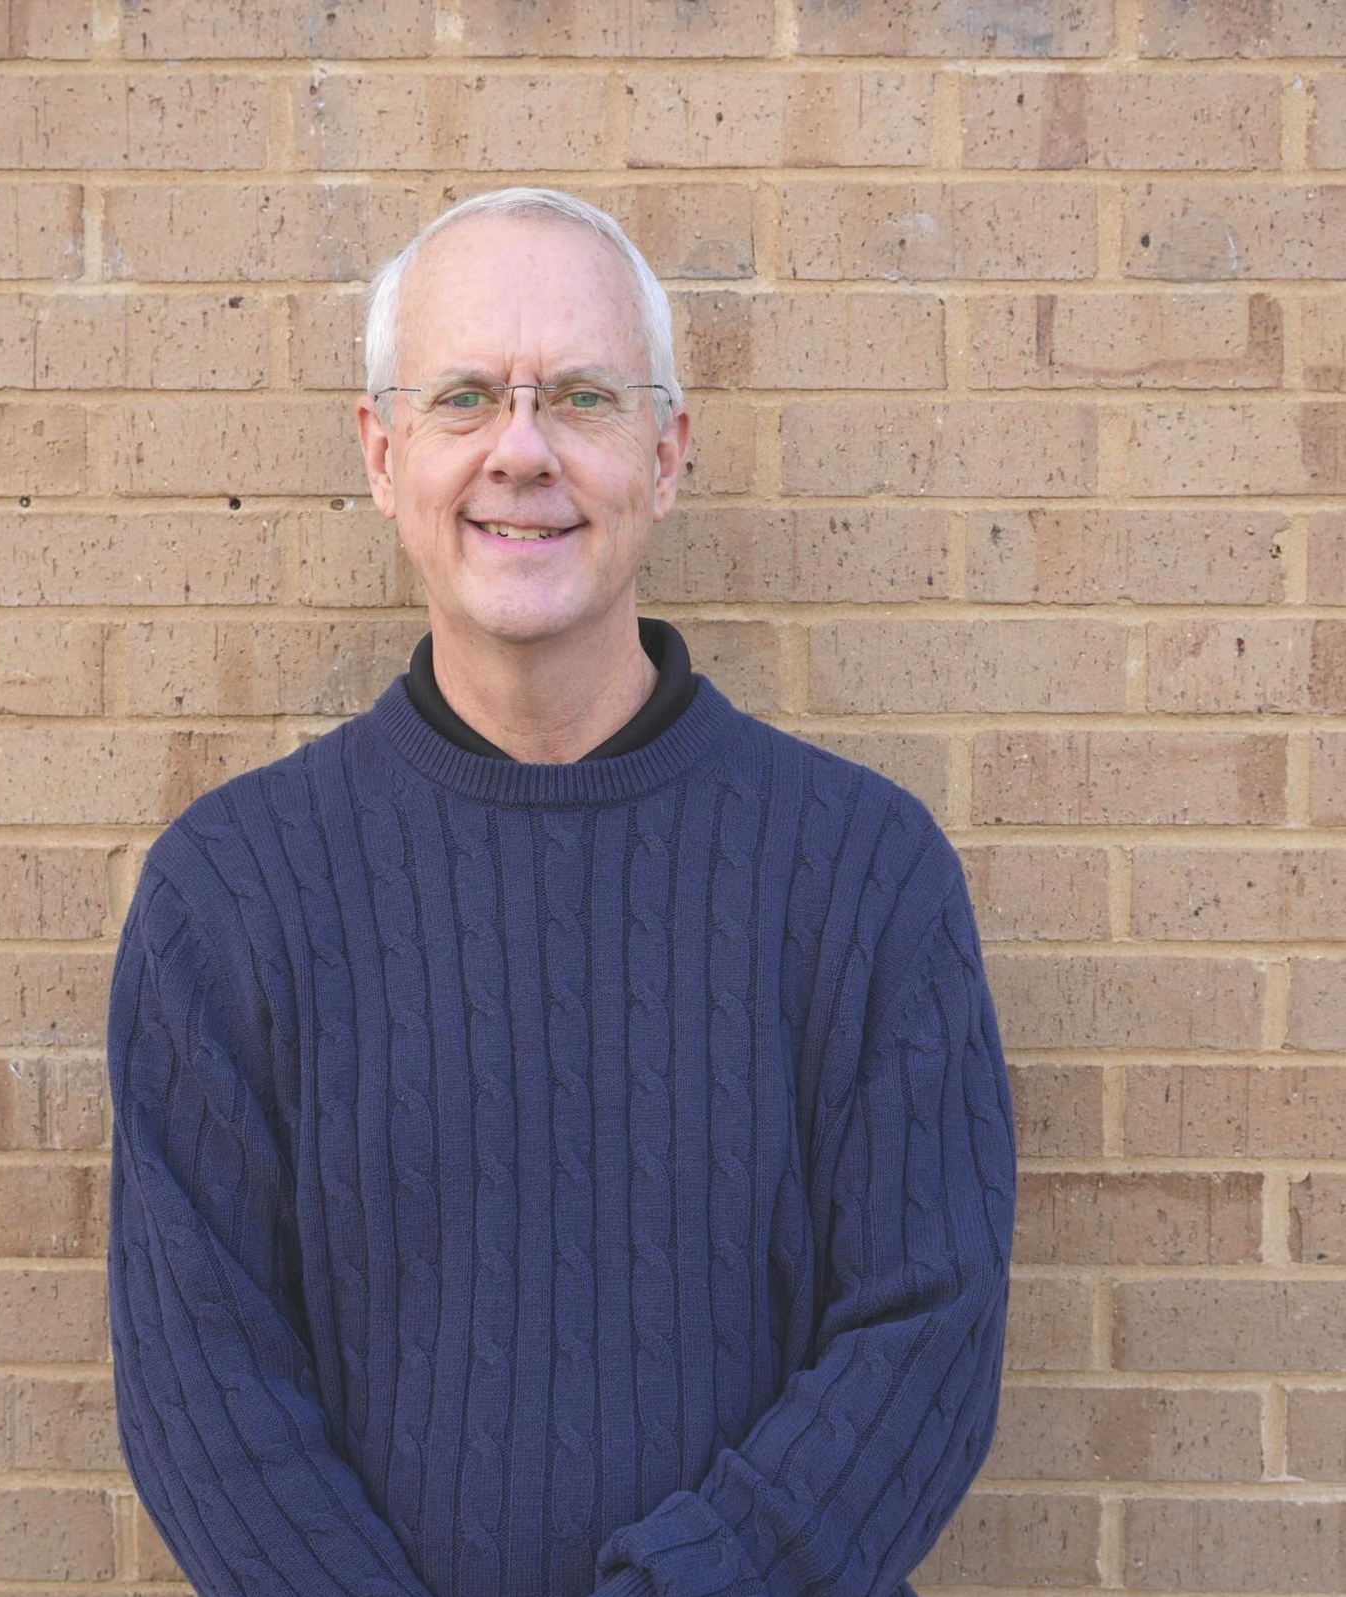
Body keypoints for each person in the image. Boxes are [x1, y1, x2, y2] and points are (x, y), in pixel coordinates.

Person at [107, 187, 1016, 1597]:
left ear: (665, 456)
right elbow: (204, 1384)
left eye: (580, 399)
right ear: (380, 451)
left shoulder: (859, 875)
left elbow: (925, 1340)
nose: (519, 453)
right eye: (465, 397)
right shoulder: (230, 899)